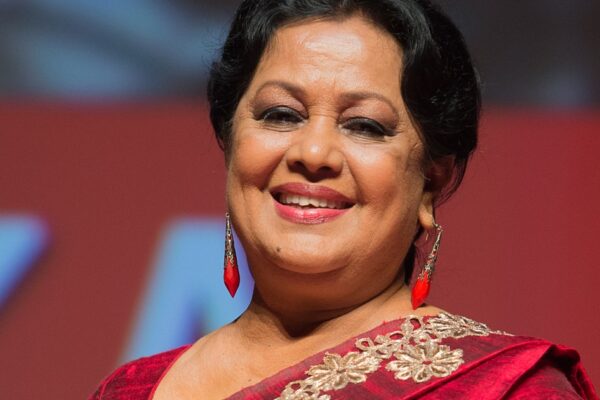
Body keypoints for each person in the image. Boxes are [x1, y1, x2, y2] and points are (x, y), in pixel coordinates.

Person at [90, 0, 598, 398]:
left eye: (365, 126)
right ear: (229, 145)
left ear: (430, 182)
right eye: (280, 115)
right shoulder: (132, 390)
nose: (313, 153)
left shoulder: (505, 390)